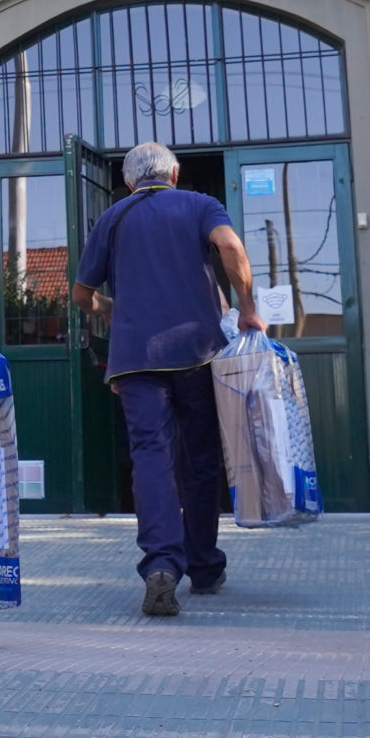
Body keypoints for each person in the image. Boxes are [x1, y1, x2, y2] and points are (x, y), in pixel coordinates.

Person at [70, 141, 264, 617]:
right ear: (174, 175)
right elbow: (230, 246)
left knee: (150, 459)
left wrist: (111, 311)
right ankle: (203, 565)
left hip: (135, 360)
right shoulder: (201, 205)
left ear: (131, 181)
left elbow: (81, 294)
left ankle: (161, 565)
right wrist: (247, 308)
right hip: (198, 354)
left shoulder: (112, 218)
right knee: (200, 460)